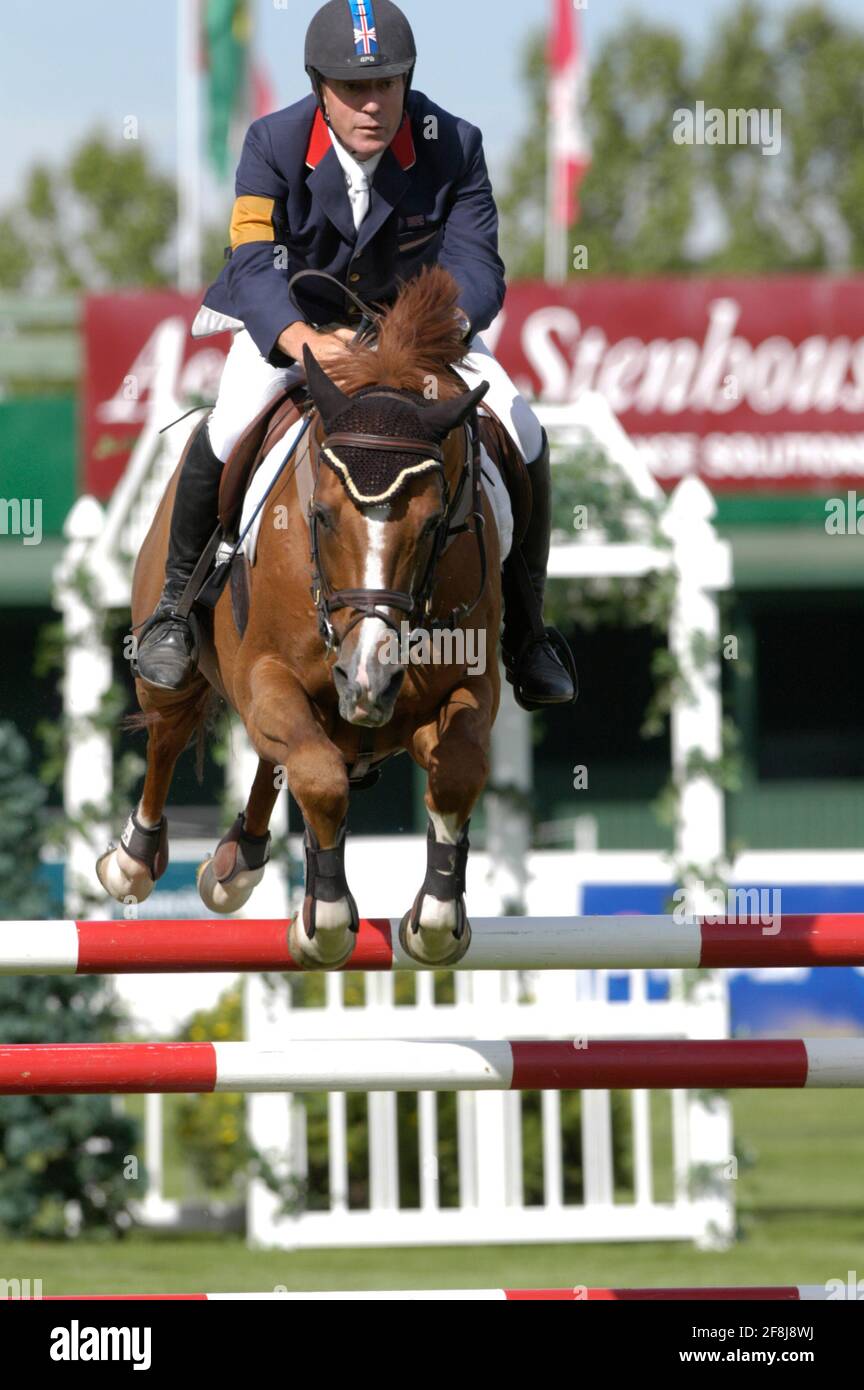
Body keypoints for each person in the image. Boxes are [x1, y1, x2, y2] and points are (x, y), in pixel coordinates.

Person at [135, 0, 576, 710]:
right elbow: (251, 264)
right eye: (353, 89)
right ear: (319, 89)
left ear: (407, 82)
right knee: (225, 426)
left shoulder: (454, 144)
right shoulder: (272, 143)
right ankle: (173, 612)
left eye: (387, 85)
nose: (373, 104)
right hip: (299, 328)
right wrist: (304, 343)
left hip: (423, 337)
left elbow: (478, 266)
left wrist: (428, 342)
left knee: (523, 431)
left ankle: (529, 634)